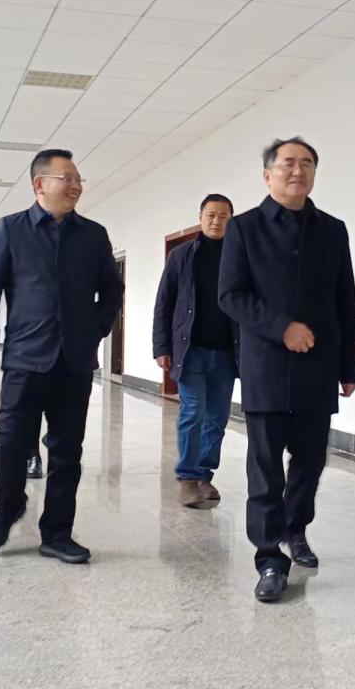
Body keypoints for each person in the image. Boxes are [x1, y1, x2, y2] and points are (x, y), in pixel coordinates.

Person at [218, 137, 355, 602]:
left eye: (306, 164)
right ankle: (269, 559)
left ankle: (295, 529)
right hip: (266, 366)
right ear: (268, 175)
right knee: (265, 467)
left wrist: (349, 366)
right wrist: (282, 328)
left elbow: (344, 298)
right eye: (287, 164)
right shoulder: (244, 228)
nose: (297, 171)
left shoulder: (332, 230)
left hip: (319, 365)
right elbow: (231, 295)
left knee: (310, 461)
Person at [0, 148, 123, 564]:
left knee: (67, 448)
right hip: (25, 356)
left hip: (75, 361)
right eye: (66, 178)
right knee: (10, 441)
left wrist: (95, 328)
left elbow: (112, 289)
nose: (75, 186)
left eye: (78, 180)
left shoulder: (93, 235)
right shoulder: (10, 230)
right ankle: (8, 507)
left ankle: (57, 532)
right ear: (40, 184)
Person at [153, 194, 239, 508]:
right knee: (193, 412)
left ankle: (205, 475)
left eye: (223, 216)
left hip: (227, 353)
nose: (216, 221)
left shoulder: (239, 257)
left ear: (231, 220)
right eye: (211, 215)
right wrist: (162, 346)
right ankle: (188, 478)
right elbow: (164, 303)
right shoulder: (181, 256)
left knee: (217, 417)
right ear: (200, 218)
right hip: (190, 351)